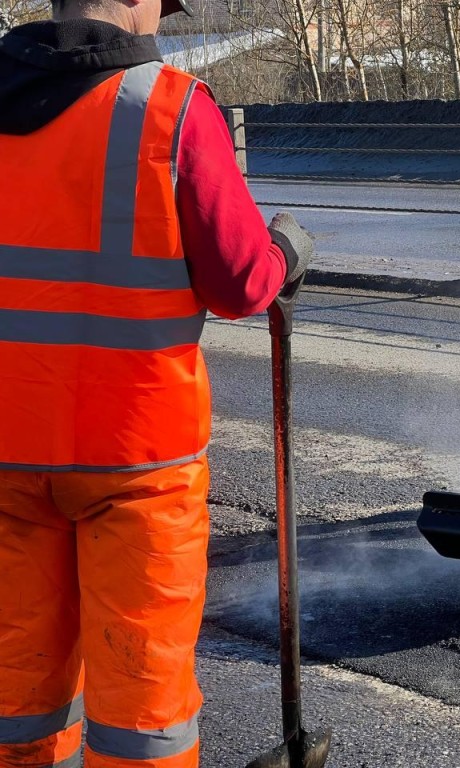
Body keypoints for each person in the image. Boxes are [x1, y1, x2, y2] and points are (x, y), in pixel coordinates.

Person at [0, 0, 313, 764]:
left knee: (17, 695)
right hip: (136, 460)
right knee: (143, 710)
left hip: (7, 450)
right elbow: (240, 283)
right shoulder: (167, 106)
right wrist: (287, 251)